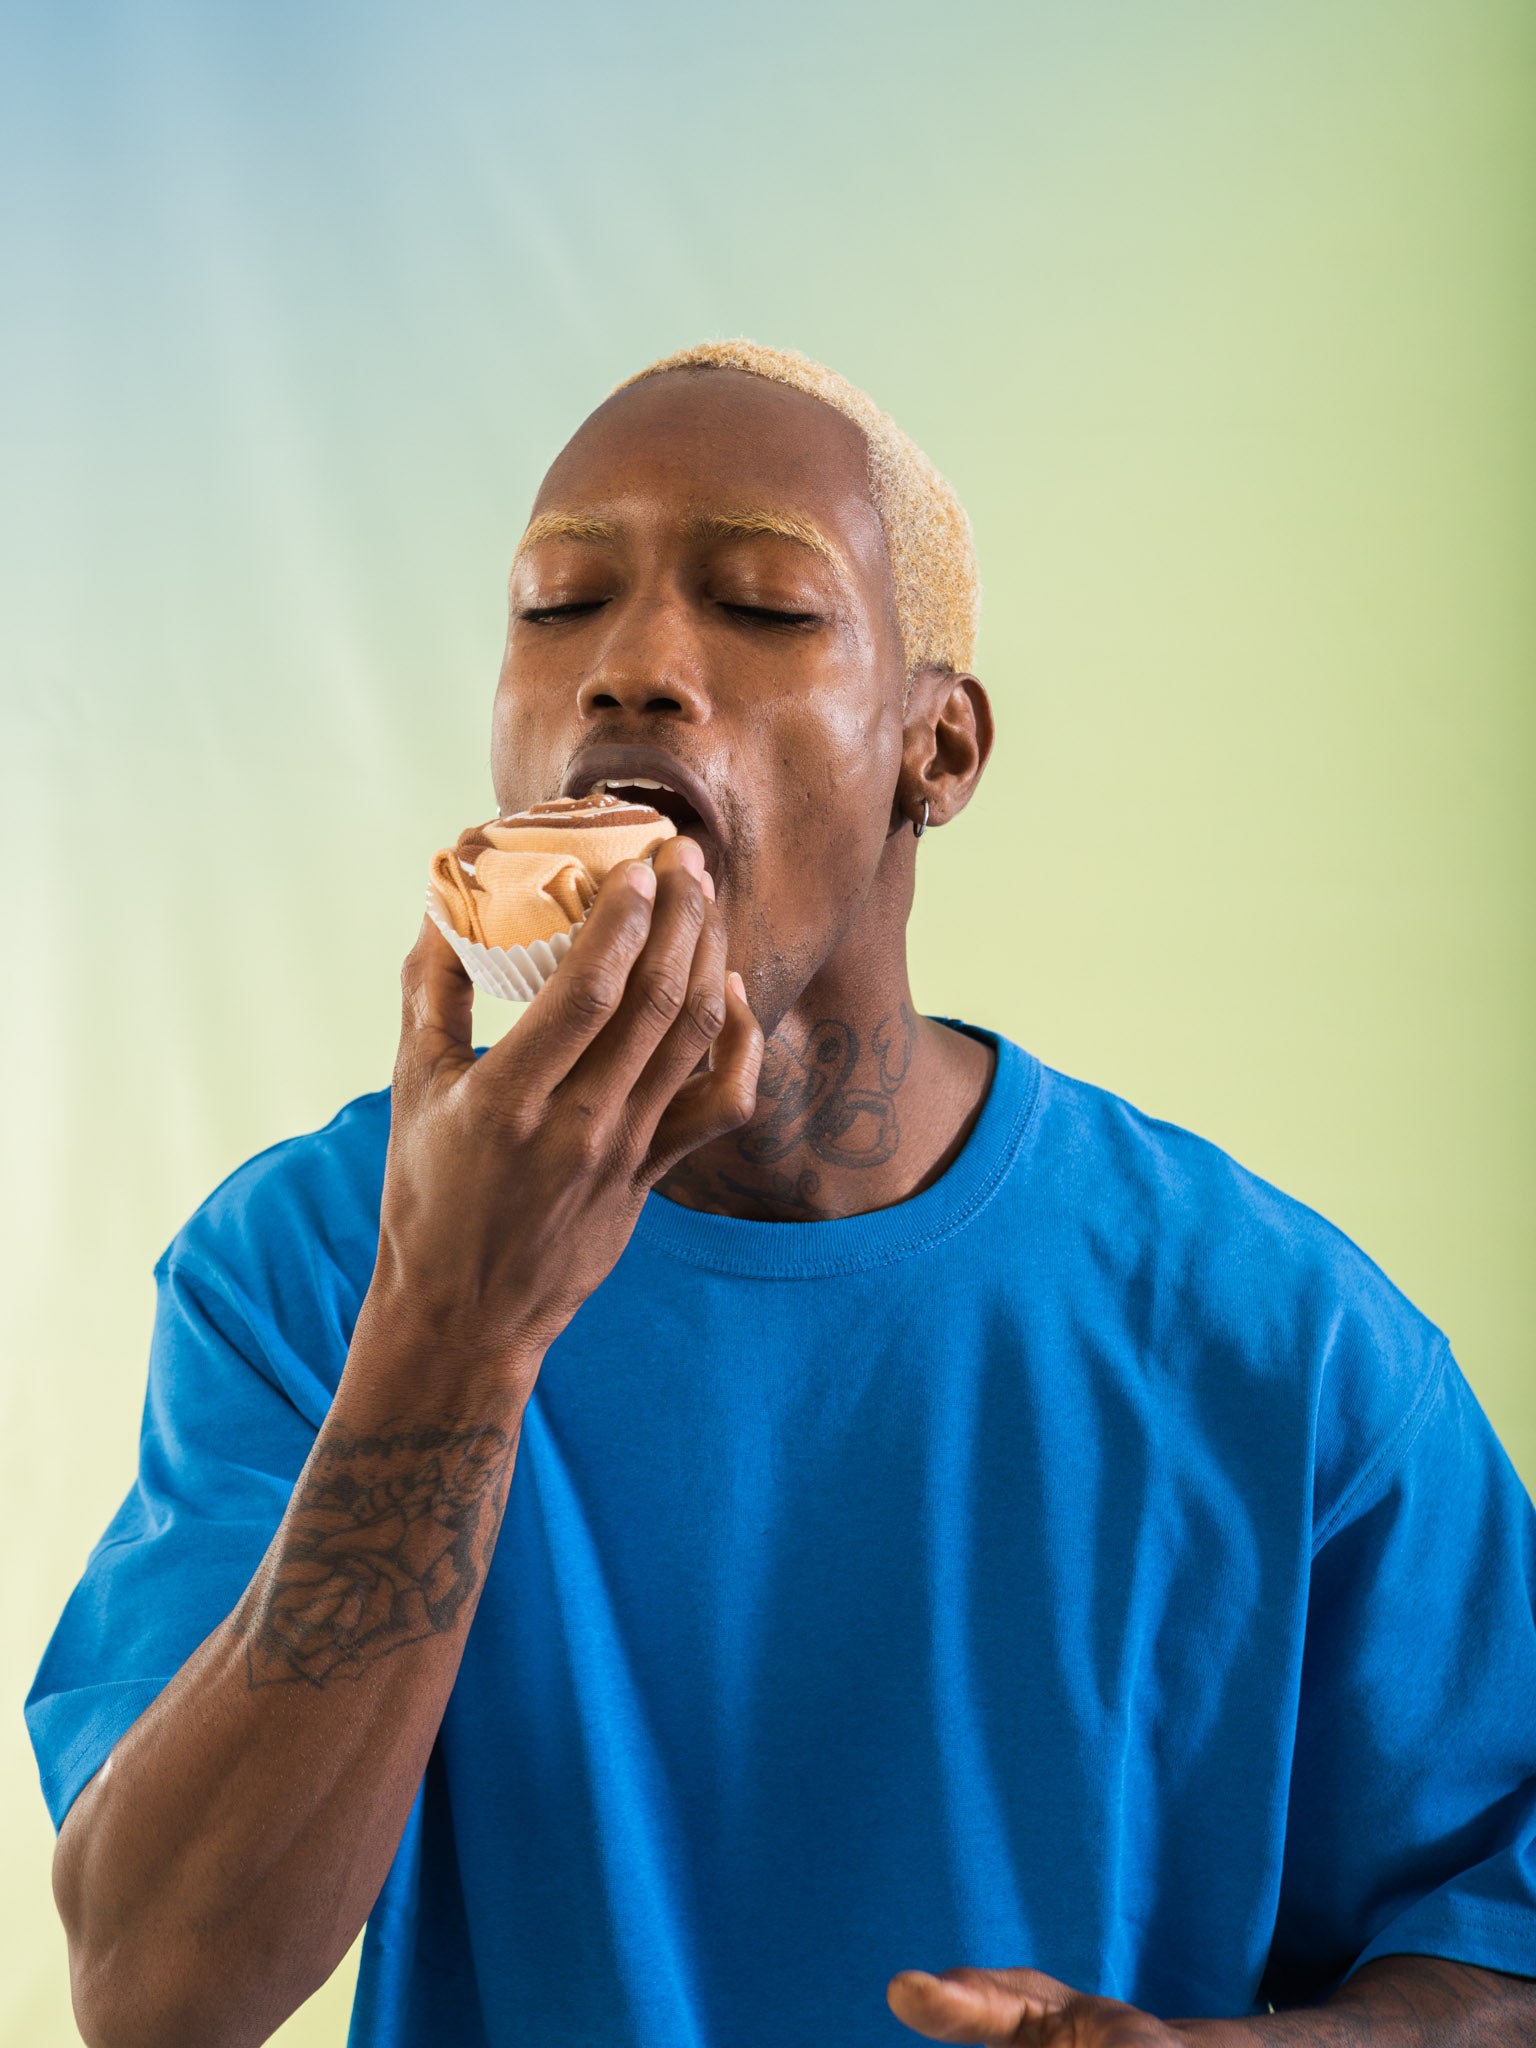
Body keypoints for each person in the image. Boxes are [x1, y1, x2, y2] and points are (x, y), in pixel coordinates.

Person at [26, 340, 1536, 2048]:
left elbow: (1501, 1957)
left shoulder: (1283, 1341)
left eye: (759, 606)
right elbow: (155, 1988)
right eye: (555, 606)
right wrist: (454, 1329)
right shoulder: (301, 1270)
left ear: (937, 750)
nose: (635, 670)